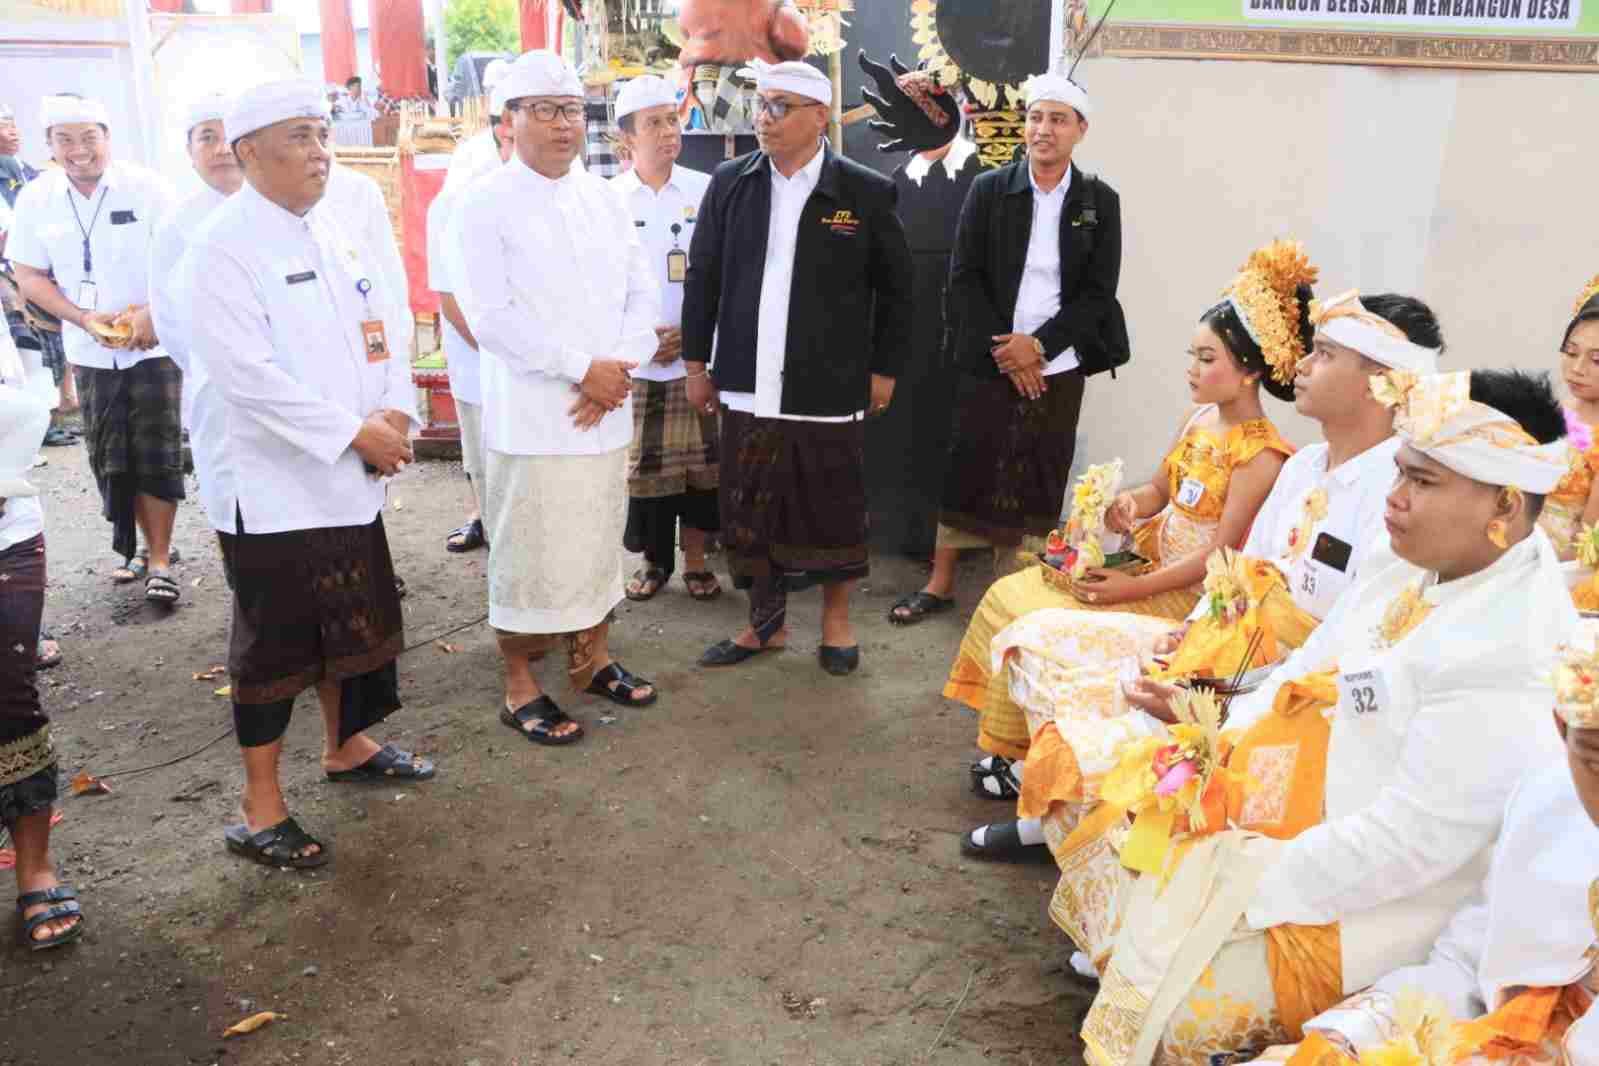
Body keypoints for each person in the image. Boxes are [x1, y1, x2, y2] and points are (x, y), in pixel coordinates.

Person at [1067, 369, 1575, 1066]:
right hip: (1294, 808)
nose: (1394, 498)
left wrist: (1235, 880)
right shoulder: (1409, 559)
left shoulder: (1509, 650)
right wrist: (1215, 744)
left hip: (1381, 900)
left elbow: (1410, 845)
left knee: (1180, 1020)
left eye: (1423, 482)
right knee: (1111, 801)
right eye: (1400, 471)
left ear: (1506, 504)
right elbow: (1308, 662)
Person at [964, 292, 1447, 862]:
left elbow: (1339, 650)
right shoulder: (1303, 467)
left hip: (1283, 695)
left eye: (1323, 354)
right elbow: (1236, 572)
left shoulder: (1395, 500)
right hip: (1221, 646)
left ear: (1379, 381)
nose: (1300, 367)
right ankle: (1059, 822)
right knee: (1038, 644)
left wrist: (1217, 695)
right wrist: (1190, 632)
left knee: (1123, 721)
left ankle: (1078, 835)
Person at [184, 79, 435, 869]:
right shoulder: (221, 246)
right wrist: (355, 432)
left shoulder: (332, 229)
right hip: (272, 488)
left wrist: (395, 410)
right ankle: (260, 807)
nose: (320, 151)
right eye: (299, 136)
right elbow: (245, 376)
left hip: (350, 474)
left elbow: (384, 328)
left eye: (322, 134)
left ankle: (346, 745)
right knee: (275, 648)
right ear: (248, 152)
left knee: (352, 624)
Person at [946, 239, 1308, 786]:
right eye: (1192, 356)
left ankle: (1040, 761)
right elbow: (1158, 491)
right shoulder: (1199, 419)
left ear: (1250, 372)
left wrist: (1129, 589)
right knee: (1010, 594)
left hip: (1189, 596)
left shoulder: (1262, 455)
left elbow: (1219, 559)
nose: (1192, 370)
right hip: (1146, 566)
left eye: (1207, 359)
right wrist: (1126, 504)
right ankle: (1023, 746)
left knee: (1037, 619)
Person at [1246, 639, 1599, 1066]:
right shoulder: (1546, 805)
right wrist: (1348, 1038)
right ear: (1563, 730)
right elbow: (1463, 968)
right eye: (1596, 761)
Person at [452, 51, 662, 747]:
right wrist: (582, 371)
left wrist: (618, 367)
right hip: (536, 414)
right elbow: (491, 318)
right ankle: (520, 685)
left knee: (598, 539)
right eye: (543, 110)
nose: (562, 124)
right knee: (530, 552)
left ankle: (592, 658)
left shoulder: (604, 198)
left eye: (571, 109)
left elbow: (642, 294)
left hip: (604, 410)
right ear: (509, 121)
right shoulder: (483, 202)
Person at [681, 58, 915, 676]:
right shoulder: (731, 183)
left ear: (818, 116)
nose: (764, 117)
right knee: (751, 505)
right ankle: (765, 626)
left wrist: (885, 369)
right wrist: (696, 363)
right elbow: (703, 277)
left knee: (831, 505)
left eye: (780, 107)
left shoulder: (863, 191)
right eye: (760, 104)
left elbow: (898, 292)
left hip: (828, 381)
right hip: (747, 379)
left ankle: (836, 623)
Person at [889, 71, 1126, 625]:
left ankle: (1015, 593)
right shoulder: (990, 190)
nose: (1044, 130)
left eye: (1058, 120)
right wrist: (1008, 352)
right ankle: (940, 584)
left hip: (1057, 362)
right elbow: (964, 277)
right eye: (1036, 118)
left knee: (1038, 470)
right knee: (968, 465)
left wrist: (1039, 347)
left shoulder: (1099, 201)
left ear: (1080, 130)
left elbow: (1098, 294)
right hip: (990, 356)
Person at [7, 95, 183, 605]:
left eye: (89, 137)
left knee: (156, 449)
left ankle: (160, 558)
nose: (79, 149)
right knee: (110, 454)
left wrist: (152, 312)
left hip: (153, 345)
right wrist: (83, 318)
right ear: (49, 145)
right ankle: (136, 545)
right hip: (87, 348)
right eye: (65, 139)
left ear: (108, 137)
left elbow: (182, 260)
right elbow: (28, 275)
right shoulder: (37, 198)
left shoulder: (148, 188)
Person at [610, 75, 721, 604]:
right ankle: (655, 562)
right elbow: (598, 285)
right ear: (626, 137)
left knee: (703, 471)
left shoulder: (707, 189)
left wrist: (697, 338)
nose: (667, 131)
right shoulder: (606, 200)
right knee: (647, 472)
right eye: (653, 122)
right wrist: (639, 339)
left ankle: (697, 561)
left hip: (698, 359)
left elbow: (724, 273)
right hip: (637, 362)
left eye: (671, 119)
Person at [1, 324, 80, 950]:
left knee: (11, 699)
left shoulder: (6, 315)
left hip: (8, 534)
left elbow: (33, 400)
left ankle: (34, 867)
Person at [429, 72, 515, 556]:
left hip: (528, 357)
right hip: (479, 352)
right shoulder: (466, 178)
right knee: (482, 452)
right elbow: (450, 294)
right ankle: (484, 519)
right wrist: (499, 349)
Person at [149, 93, 241, 537]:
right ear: (189, 152)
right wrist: (217, 364)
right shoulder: (177, 224)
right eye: (207, 138)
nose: (222, 149)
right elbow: (170, 321)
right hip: (217, 387)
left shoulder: (284, 205)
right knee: (235, 499)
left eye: (229, 136)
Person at [1543, 276, 1599, 559]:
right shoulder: (1549, 410)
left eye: (1597, 360)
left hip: (1558, 567)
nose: (1577, 368)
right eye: (1571, 351)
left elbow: (1586, 541)